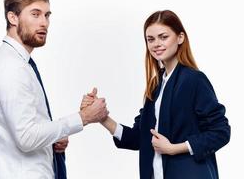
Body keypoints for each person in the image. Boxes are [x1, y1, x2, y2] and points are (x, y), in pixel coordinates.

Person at [81, 10, 231, 179]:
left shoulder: (194, 80)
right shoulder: (155, 86)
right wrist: (102, 118)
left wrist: (174, 148)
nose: (156, 44)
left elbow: (221, 132)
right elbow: (139, 138)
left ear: (180, 37)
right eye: (150, 39)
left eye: (163, 37)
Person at [0, 0, 108, 179]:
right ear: (12, 18)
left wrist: (53, 138)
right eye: (35, 14)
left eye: (47, 15)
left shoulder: (18, 63)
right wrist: (83, 117)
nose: (44, 23)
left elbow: (26, 129)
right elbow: (26, 137)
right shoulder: (11, 67)